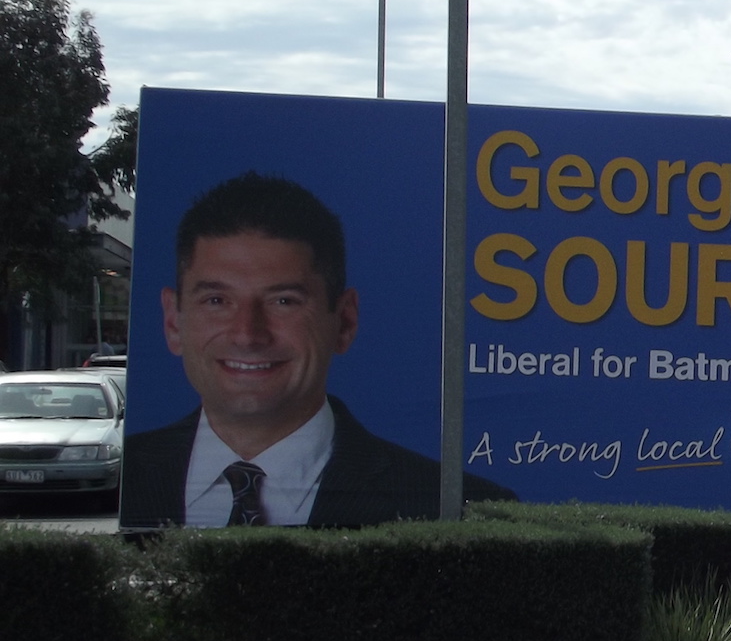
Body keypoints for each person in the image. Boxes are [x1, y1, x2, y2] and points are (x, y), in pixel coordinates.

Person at [121, 171, 515, 527]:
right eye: (216, 301)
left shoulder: (459, 507)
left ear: (344, 321)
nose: (247, 334)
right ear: (173, 321)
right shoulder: (119, 478)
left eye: (284, 301)